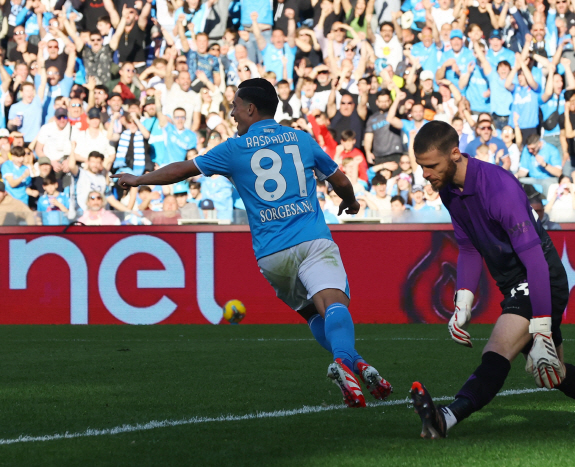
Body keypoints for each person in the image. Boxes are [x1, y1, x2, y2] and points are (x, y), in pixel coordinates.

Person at [114, 78, 392, 408]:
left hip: (272, 256)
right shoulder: (301, 139)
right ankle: (344, 362)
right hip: (311, 239)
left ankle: (356, 364)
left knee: (312, 314)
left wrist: (139, 179)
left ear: (251, 108)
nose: (232, 113)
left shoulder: (233, 149)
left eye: (234, 106)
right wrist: (352, 202)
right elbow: (341, 180)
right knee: (333, 306)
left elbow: (181, 171)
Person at [408, 120, 575, 439]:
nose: (425, 174)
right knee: (557, 374)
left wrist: (540, 327)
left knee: (498, 348)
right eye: (422, 166)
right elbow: (469, 247)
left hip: (540, 278)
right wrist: (463, 302)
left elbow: (535, 261)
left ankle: (445, 418)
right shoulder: (448, 189)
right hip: (516, 283)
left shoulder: (498, 188)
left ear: (455, 154)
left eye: (431, 166)